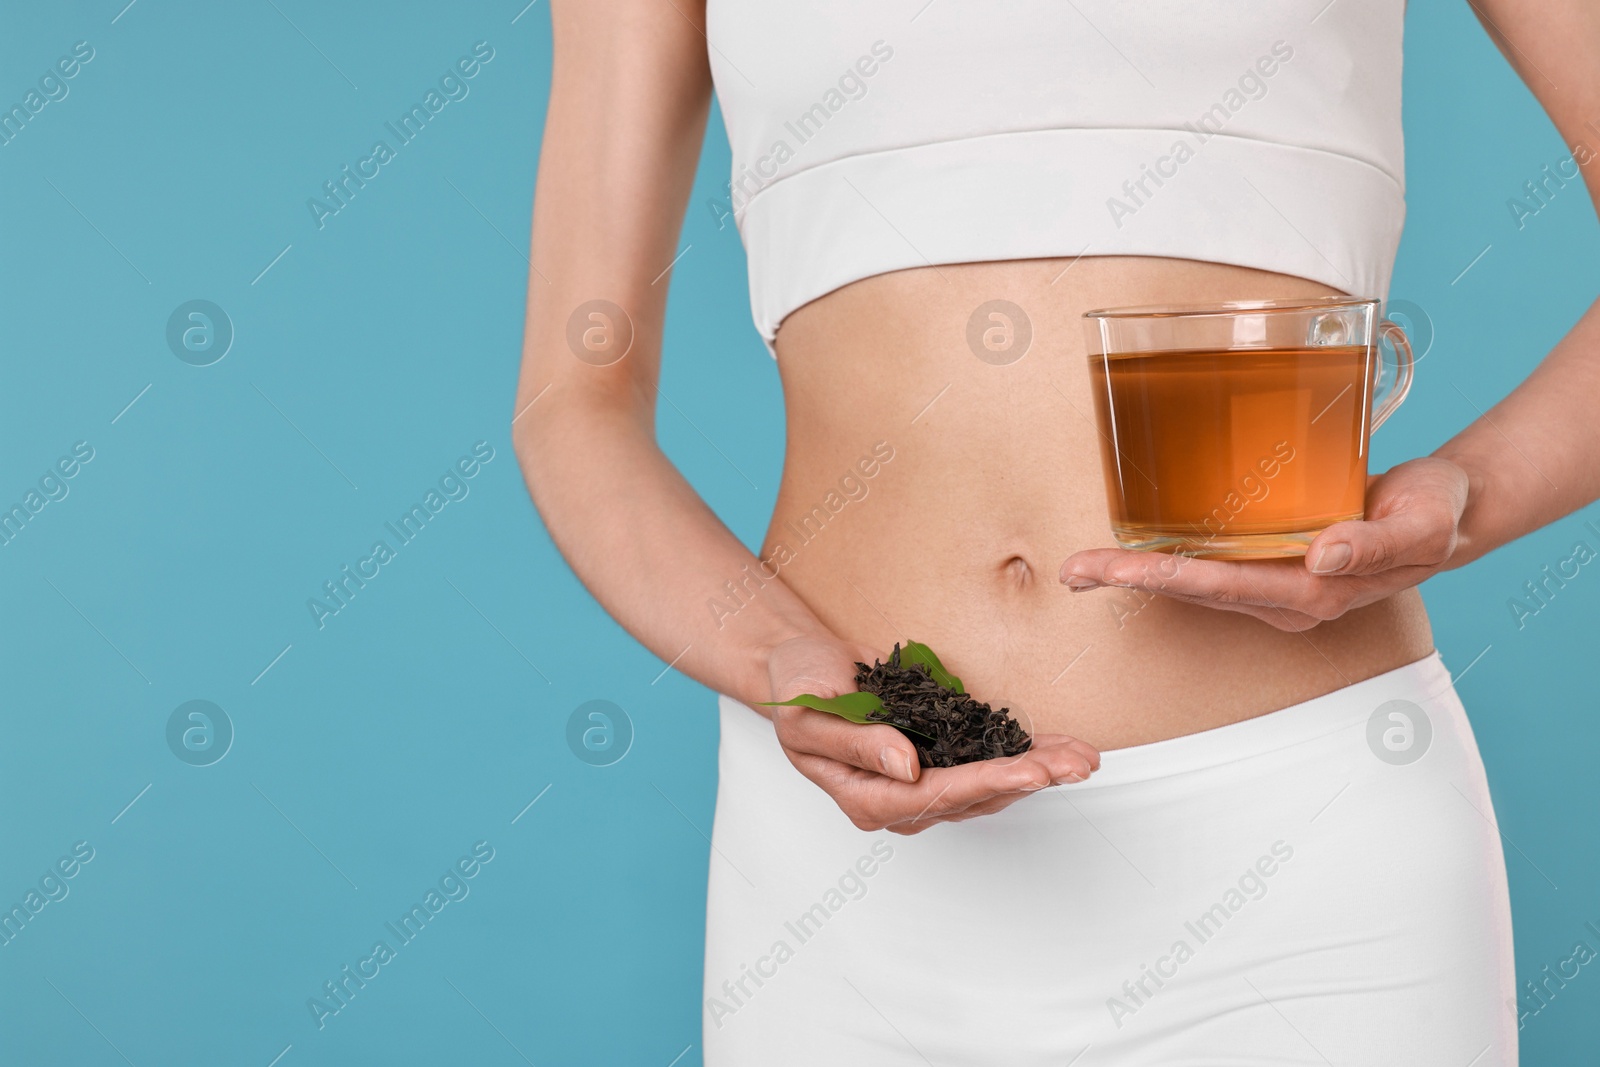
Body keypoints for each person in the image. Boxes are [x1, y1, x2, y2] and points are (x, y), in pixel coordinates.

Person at [515, 2, 1597, 1062]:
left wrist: (1465, 493)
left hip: (1302, 842)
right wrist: (777, 663)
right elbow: (575, 405)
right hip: (841, 878)